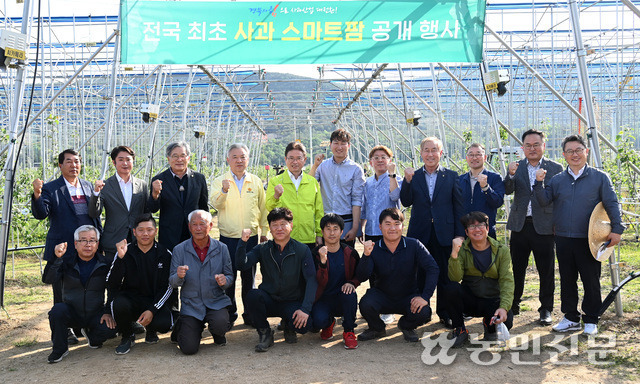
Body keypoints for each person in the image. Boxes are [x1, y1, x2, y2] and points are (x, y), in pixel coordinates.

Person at [533, 134, 624, 336]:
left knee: (591, 279)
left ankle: (591, 318)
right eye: (570, 151)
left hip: (590, 239)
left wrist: (617, 229)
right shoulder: (557, 180)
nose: (575, 154)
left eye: (578, 150)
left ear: (586, 152)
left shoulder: (599, 178)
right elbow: (543, 201)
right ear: (564, 155)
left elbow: (611, 204)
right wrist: (538, 183)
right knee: (567, 279)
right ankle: (571, 317)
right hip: (564, 237)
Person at [32, 149, 103, 344]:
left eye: (77, 162)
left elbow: (96, 217)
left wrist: (100, 242)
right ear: (60, 165)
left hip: (87, 248)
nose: (74, 165)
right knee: (61, 291)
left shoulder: (89, 187)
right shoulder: (51, 188)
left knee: (87, 286)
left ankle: (86, 324)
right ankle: (65, 332)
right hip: (63, 248)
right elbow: (41, 213)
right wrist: (37, 194)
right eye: (69, 162)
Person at [400, 137, 464, 329]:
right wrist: (407, 181)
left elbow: (458, 207)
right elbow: (405, 201)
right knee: (420, 274)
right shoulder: (414, 176)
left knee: (445, 275)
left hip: (445, 233)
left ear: (441, 153)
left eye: (434, 150)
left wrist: (459, 234)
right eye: (426, 150)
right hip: (420, 234)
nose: (430, 154)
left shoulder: (452, 176)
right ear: (421, 153)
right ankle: (420, 312)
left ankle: (445, 313)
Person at [236, 207, 318, 352]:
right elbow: (242, 264)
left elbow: (312, 280)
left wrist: (304, 309)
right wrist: (243, 242)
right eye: (275, 225)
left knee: (305, 326)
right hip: (270, 300)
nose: (279, 228)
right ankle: (265, 333)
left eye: (283, 224)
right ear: (270, 228)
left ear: (291, 225)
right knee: (253, 296)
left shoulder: (302, 250)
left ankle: (288, 324)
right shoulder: (263, 248)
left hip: (292, 301)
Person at [504, 129, 563, 325]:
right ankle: (513, 304)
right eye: (528, 145)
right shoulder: (516, 167)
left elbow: (559, 197)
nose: (532, 149)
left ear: (543, 146)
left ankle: (546, 309)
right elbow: (507, 189)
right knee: (517, 268)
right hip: (520, 225)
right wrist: (510, 175)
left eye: (536, 145)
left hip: (545, 227)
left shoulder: (555, 168)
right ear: (523, 148)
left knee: (546, 270)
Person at [356, 208, 439, 343]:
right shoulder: (374, 247)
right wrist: (366, 256)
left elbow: (433, 268)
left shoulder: (414, 245)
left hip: (408, 296)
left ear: (403, 226)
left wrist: (425, 296)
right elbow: (362, 276)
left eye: (396, 223)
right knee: (366, 304)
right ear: (380, 227)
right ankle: (377, 328)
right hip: (382, 295)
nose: (392, 228)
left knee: (424, 312)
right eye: (387, 224)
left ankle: (406, 326)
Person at [211, 143, 268, 326]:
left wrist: (264, 231)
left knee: (248, 279)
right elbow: (215, 205)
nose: (239, 160)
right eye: (234, 157)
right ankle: (230, 315)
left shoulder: (255, 181)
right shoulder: (220, 181)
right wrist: (224, 191)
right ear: (228, 160)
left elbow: (263, 208)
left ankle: (250, 315)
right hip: (228, 238)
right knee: (228, 279)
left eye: (242, 157)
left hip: (250, 239)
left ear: (248, 159)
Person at [42, 225, 116, 363]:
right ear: (75, 244)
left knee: (110, 329)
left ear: (97, 244)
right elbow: (48, 279)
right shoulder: (66, 262)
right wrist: (56, 259)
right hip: (72, 312)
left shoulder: (105, 263)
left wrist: (107, 311)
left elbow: (114, 289)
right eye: (83, 240)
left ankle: (92, 335)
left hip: (95, 313)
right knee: (57, 311)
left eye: (92, 240)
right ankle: (60, 349)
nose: (88, 244)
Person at [107, 213, 175, 355]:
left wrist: (152, 310)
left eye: (149, 230)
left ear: (155, 231)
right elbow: (111, 282)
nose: (145, 234)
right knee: (118, 303)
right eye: (141, 230)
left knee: (164, 324)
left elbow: (168, 287)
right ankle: (127, 335)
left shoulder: (165, 253)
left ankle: (151, 330)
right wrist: (120, 258)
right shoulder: (125, 251)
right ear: (134, 232)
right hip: (130, 301)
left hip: (153, 300)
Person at [168, 210, 234, 355]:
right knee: (189, 349)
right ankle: (182, 325)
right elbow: (172, 282)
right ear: (189, 227)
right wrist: (179, 276)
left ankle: (217, 332)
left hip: (215, 301)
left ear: (210, 226)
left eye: (202, 224)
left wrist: (225, 280)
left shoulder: (222, 248)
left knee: (221, 325)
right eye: (194, 224)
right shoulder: (179, 250)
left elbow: (230, 277)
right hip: (192, 305)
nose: (198, 228)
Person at [445, 211, 514, 348]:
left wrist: (504, 307)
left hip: (492, 300)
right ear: (466, 231)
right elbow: (455, 277)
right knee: (450, 288)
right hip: (470, 299)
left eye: (481, 225)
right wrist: (454, 254)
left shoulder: (501, 250)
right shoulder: (463, 250)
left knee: (508, 321)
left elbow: (507, 281)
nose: (477, 229)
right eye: (472, 226)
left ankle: (489, 325)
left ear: (487, 228)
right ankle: (460, 329)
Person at [361, 145, 402, 325]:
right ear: (371, 162)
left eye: (383, 157)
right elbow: (365, 207)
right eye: (376, 157)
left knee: (389, 271)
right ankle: (376, 306)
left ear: (389, 160)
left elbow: (395, 197)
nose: (379, 160)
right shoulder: (368, 182)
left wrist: (392, 175)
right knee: (373, 271)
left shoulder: (395, 178)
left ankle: (389, 310)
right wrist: (360, 228)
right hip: (371, 231)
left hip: (389, 233)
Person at [89, 145, 150, 261]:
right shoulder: (105, 186)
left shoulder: (142, 184)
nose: (125, 163)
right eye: (121, 160)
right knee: (113, 276)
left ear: (133, 161)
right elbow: (94, 213)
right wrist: (96, 193)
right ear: (114, 162)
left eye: (128, 160)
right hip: (113, 241)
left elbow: (146, 211)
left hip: (138, 240)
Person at [149, 141, 209, 252]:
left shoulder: (199, 178)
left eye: (182, 156)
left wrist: (205, 228)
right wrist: (155, 194)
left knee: (194, 265)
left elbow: (204, 207)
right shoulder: (159, 180)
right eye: (175, 156)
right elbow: (153, 209)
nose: (179, 159)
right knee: (170, 266)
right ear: (168, 158)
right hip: (169, 234)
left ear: (188, 158)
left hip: (194, 233)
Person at [311, 214, 360, 349]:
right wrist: (322, 262)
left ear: (341, 232)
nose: (332, 233)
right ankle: (328, 323)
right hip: (323, 298)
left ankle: (349, 331)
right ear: (322, 231)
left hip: (342, 298)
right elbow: (317, 281)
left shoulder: (350, 252)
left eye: (335, 229)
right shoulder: (315, 254)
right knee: (317, 321)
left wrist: (352, 282)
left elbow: (359, 274)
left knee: (350, 294)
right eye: (328, 229)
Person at [310, 128, 365, 247]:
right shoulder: (322, 166)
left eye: (343, 143)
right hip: (325, 221)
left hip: (346, 222)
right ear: (330, 145)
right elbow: (309, 185)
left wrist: (355, 228)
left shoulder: (355, 169)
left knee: (347, 259)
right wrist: (315, 165)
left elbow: (357, 199)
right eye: (336, 143)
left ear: (349, 146)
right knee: (324, 260)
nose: (339, 147)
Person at [266, 142, 324, 248]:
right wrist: (276, 196)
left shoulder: (312, 182)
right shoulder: (276, 182)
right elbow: (269, 207)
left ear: (305, 160)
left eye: (299, 158)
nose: (295, 162)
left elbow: (318, 210)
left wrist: (319, 234)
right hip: (284, 238)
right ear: (285, 159)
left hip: (308, 238)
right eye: (291, 158)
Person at [458, 143, 505, 239]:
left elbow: (498, 202)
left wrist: (486, 188)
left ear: (485, 157)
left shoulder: (494, 178)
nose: (474, 158)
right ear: (467, 158)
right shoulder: (460, 180)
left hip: (486, 232)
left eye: (478, 154)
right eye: (471, 155)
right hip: (464, 233)